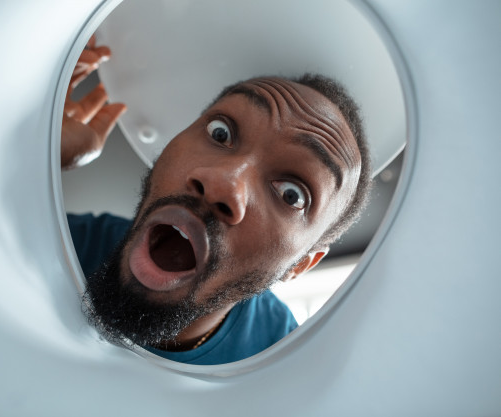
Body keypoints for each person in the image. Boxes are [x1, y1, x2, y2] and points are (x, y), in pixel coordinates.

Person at [62, 37, 372, 365]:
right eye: (220, 133)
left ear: (299, 265)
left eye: (291, 194)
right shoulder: (59, 239)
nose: (222, 183)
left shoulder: (278, 366)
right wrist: (34, 154)